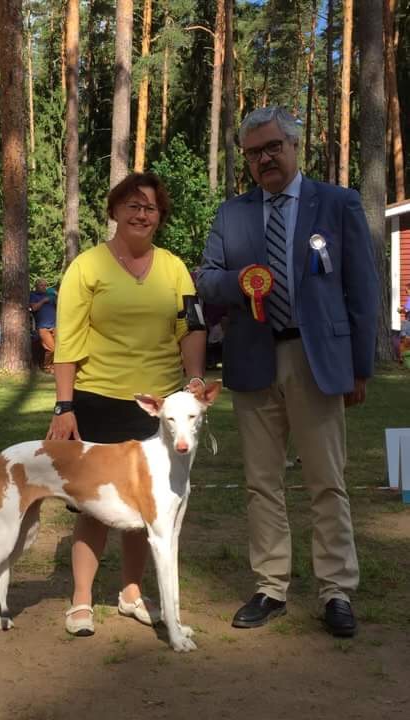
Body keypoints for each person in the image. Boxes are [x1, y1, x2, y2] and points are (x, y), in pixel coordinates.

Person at [197, 106, 379, 638]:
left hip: (317, 360)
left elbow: (363, 290)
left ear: (296, 146)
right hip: (252, 358)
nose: (264, 159)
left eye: (273, 147)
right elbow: (206, 279)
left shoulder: (339, 204)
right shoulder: (231, 215)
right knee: (261, 483)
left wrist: (359, 368)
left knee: (327, 481)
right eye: (253, 153)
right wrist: (240, 281)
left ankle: (336, 590)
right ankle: (271, 586)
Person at [46, 171, 206, 637]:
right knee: (92, 510)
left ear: (160, 216)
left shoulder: (174, 268)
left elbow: (191, 327)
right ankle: (81, 599)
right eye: (132, 205)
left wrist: (194, 378)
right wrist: (64, 407)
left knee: (147, 509)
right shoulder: (87, 267)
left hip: (158, 407)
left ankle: (131, 593)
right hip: (97, 400)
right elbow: (68, 339)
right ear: (114, 210)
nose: (141, 214)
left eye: (150, 207)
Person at [29, 279, 57, 373]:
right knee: (51, 349)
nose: (44, 287)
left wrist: (57, 295)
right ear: (36, 286)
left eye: (45, 285)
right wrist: (43, 301)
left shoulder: (50, 295)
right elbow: (33, 308)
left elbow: (60, 305)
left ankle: (54, 367)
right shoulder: (33, 295)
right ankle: (46, 366)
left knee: (59, 349)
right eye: (41, 285)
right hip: (43, 327)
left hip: (55, 326)